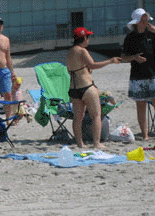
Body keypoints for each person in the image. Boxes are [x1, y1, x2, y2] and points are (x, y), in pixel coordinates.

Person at [66, 27, 121, 149]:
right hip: (86, 87)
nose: (88, 40)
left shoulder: (69, 52)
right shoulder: (82, 51)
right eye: (88, 37)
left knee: (77, 118)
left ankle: (80, 143)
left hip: (74, 89)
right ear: (84, 38)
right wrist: (110, 61)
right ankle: (96, 143)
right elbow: (93, 65)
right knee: (96, 115)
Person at [121, 8, 155, 141]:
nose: (145, 23)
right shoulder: (130, 38)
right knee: (141, 106)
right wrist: (134, 57)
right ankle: (145, 135)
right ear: (136, 23)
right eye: (143, 21)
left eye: (146, 20)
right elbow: (123, 57)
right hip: (138, 75)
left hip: (153, 74)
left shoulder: (152, 34)